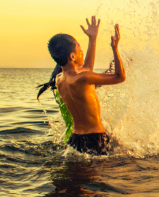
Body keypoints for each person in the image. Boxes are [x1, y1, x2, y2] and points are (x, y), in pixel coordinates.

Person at [44, 16, 126, 155]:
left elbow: (87, 67)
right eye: (79, 48)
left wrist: (92, 39)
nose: (82, 52)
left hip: (75, 139)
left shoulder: (59, 80)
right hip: (95, 138)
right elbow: (120, 77)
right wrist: (115, 49)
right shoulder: (82, 78)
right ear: (72, 56)